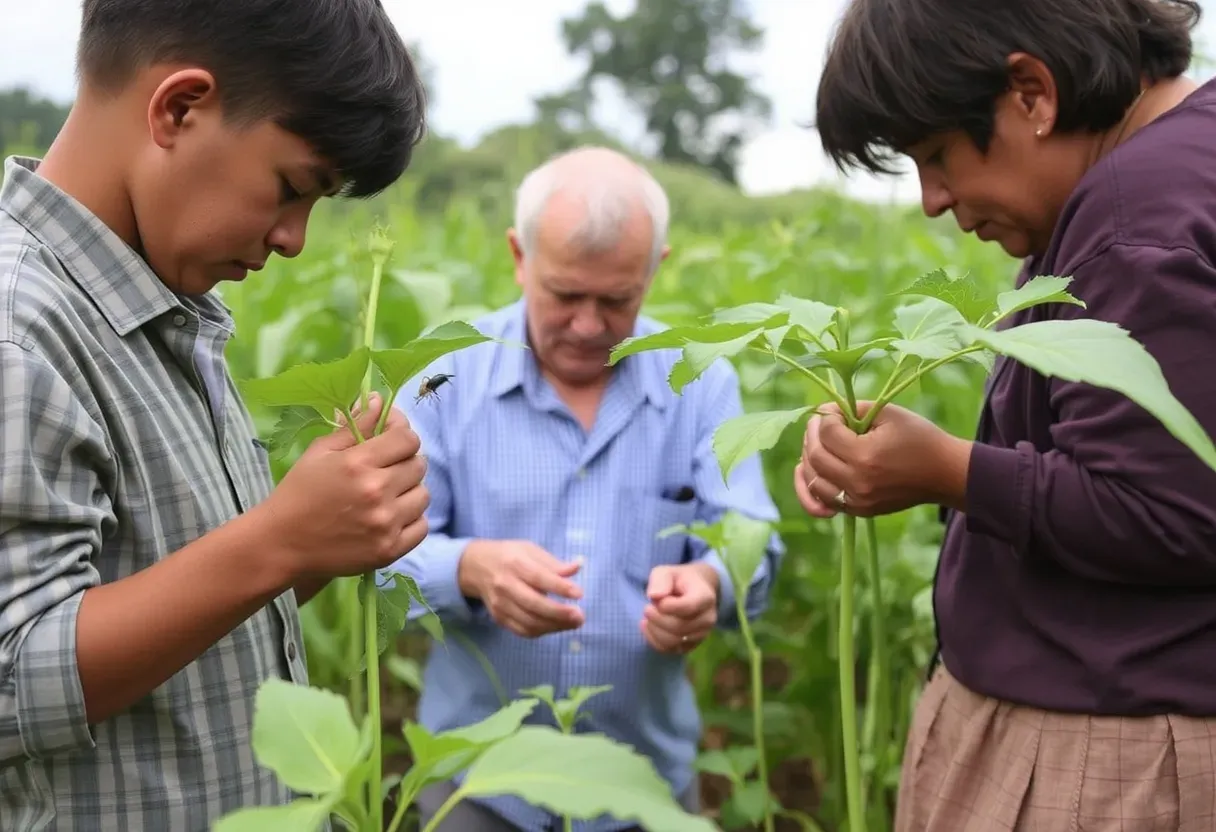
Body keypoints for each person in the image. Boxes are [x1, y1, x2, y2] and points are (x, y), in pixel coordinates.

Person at [0, 1, 430, 829]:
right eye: (292, 188)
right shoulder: (20, 325)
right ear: (179, 108)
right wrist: (279, 541)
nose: (294, 239)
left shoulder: (166, 312)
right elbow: (13, 673)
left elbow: (173, 596)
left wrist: (316, 545)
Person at [801, 0, 1216, 829]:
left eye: (936, 155)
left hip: (1107, 762)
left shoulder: (1136, 220)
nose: (931, 199)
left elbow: (1174, 510)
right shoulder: (1182, 163)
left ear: (1031, 93)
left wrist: (946, 471)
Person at [383, 146, 786, 832]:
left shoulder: (699, 382)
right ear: (519, 256)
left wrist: (712, 585)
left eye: (617, 299)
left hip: (645, 783)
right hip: (478, 788)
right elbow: (381, 561)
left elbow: (752, 538)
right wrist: (470, 569)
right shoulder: (442, 376)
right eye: (566, 295)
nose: (590, 325)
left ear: (654, 270)